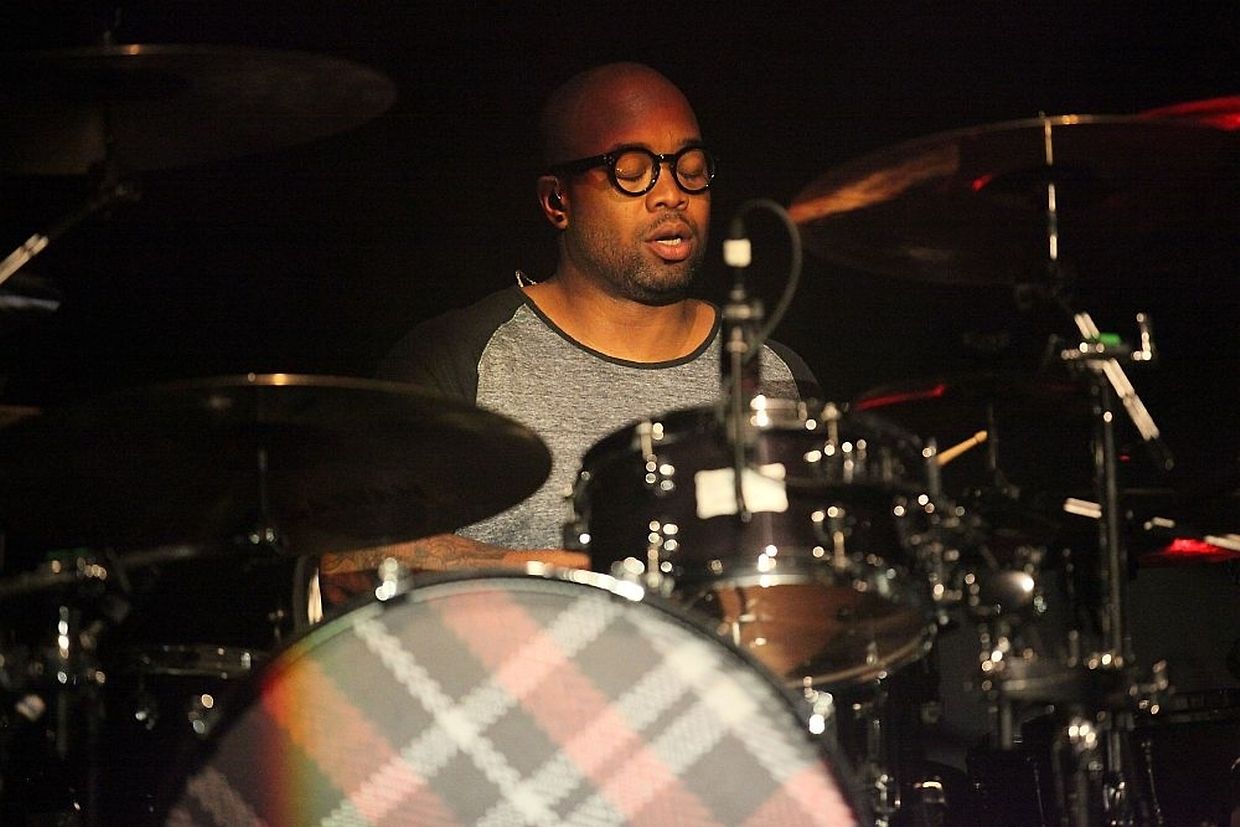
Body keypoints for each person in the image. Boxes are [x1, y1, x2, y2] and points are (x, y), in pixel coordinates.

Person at [318, 62, 817, 602]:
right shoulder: (463, 360)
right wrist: (567, 577)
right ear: (558, 201)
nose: (670, 194)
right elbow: (346, 560)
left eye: (689, 169)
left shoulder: (776, 375)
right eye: (632, 171)